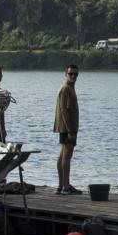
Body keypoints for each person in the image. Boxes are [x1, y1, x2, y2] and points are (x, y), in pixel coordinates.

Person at [53, 64, 79, 194]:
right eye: (71, 74)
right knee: (67, 156)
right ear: (65, 74)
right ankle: (66, 186)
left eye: (75, 74)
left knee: (63, 154)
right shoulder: (66, 89)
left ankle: (61, 185)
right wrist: (70, 130)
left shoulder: (70, 88)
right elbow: (64, 110)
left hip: (67, 127)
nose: (73, 76)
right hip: (67, 127)